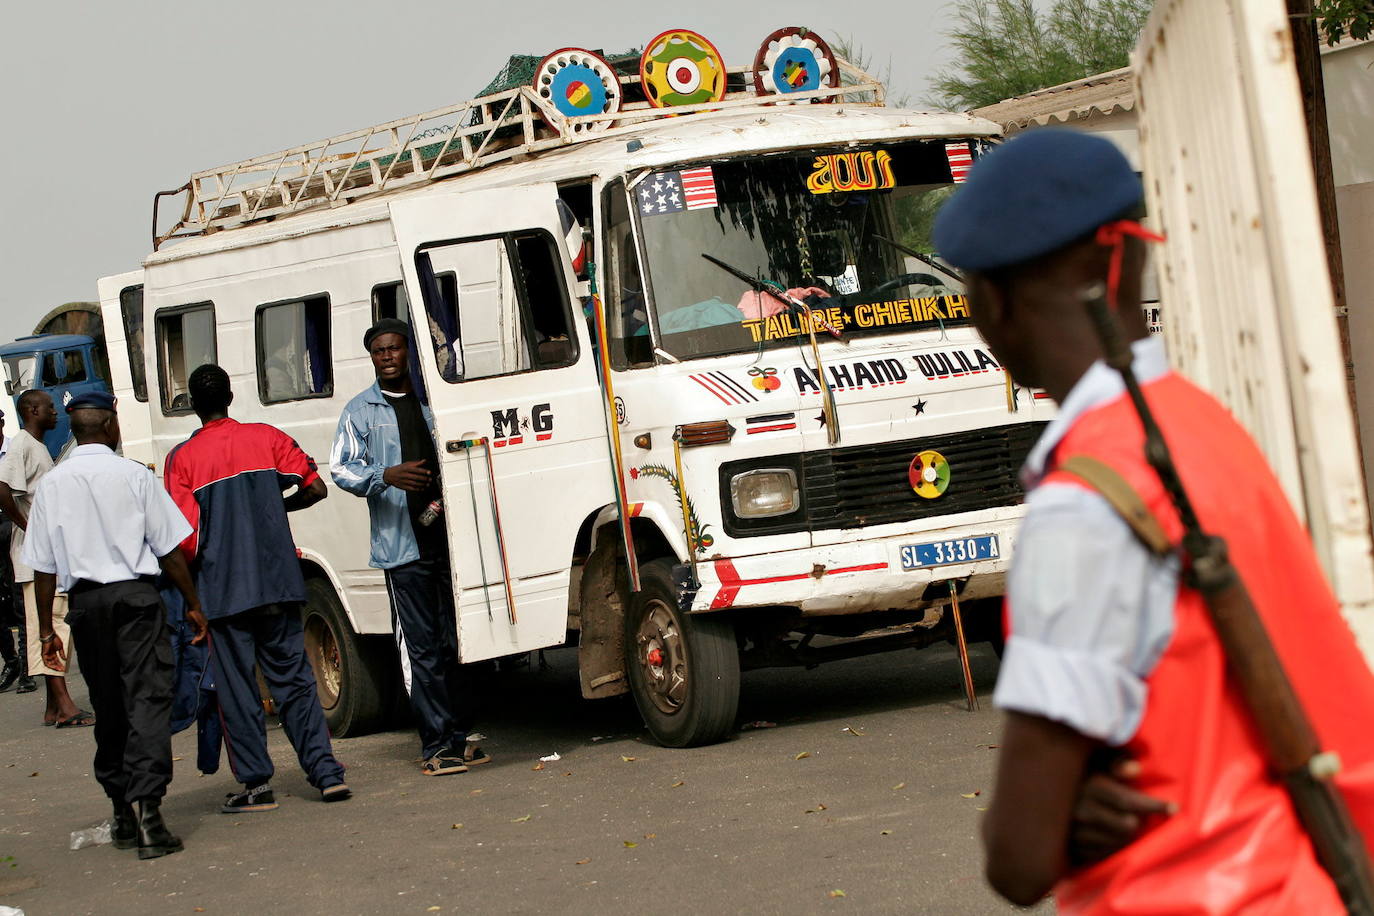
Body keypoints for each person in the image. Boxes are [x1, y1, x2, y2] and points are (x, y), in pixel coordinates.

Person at [931, 128, 1374, 911]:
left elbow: (1020, 858)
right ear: (1129, 261)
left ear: (990, 303)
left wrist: (1057, 809)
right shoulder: (1204, 427)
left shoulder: (1082, 501)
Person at [24, 391, 207, 859]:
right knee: (145, 701)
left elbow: (42, 567)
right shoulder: (134, 476)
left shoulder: (53, 484)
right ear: (109, 426)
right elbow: (168, 549)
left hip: (87, 606)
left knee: (108, 705)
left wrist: (47, 631)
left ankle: (122, 813)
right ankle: (150, 817)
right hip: (136, 598)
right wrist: (192, 603)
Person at [163, 364, 349, 811]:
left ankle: (257, 786)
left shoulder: (183, 459)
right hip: (278, 582)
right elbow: (317, 488)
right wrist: (275, 508)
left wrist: (189, 599)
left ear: (191, 404)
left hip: (224, 593)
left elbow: (183, 540)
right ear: (230, 396)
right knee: (296, 683)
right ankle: (326, 775)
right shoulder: (266, 437)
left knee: (237, 692)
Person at [331, 318, 487, 776]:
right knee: (419, 649)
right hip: (403, 549)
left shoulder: (431, 401)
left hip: (449, 542)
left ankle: (459, 736)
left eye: (394, 348)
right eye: (378, 351)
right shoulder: (360, 410)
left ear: (407, 353)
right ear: (372, 357)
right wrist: (385, 476)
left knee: (454, 643)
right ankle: (436, 745)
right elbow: (340, 469)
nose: (387, 356)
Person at [0, 390, 92, 725]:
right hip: (33, 559)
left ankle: (54, 707)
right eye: (50, 408)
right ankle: (65, 705)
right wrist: (30, 527)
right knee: (51, 626)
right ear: (33, 410)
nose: (56, 413)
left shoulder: (35, 446)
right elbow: (4, 491)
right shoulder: (22, 444)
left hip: (42, 555)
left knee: (52, 622)